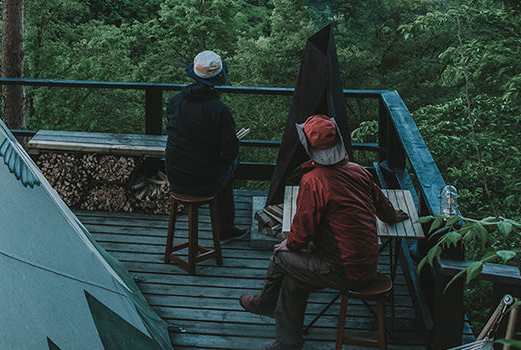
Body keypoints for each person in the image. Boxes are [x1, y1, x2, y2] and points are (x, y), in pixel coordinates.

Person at [238, 114, 410, 350]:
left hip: (342, 270)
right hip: (367, 265)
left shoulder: (314, 181)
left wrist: (291, 245)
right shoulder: (358, 171)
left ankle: (265, 303)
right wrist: (394, 216)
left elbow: (303, 229)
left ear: (308, 147)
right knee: (292, 281)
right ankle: (288, 343)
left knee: (280, 256)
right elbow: (384, 207)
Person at [164, 50, 246, 241]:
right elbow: (230, 151)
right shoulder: (219, 110)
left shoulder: (174, 101)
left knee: (218, 165)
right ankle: (225, 228)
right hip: (202, 182)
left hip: (174, 175)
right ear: (218, 78)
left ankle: (225, 225)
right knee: (231, 164)